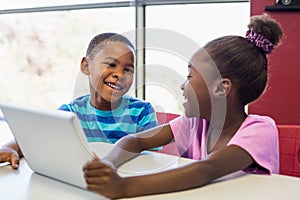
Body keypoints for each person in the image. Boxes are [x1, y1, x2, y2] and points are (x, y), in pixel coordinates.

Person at [82, 13, 283, 199]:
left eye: (189, 77)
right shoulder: (194, 124)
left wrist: (123, 187)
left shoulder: (260, 130)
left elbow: (206, 170)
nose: (182, 85)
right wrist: (108, 163)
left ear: (221, 89)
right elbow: (135, 141)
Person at [0, 32, 158, 170]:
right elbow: (34, 135)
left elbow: (151, 160)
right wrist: (10, 147)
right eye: (111, 64)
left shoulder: (142, 112)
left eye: (128, 69)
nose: (119, 74)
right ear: (86, 66)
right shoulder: (70, 112)